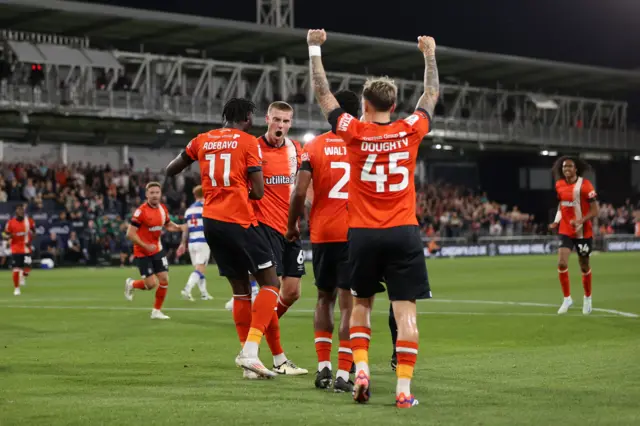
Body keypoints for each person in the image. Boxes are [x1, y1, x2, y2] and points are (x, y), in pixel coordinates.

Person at [307, 29, 439, 409]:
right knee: (406, 311)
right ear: (394, 105)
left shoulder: (353, 131)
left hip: (362, 233)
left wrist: (315, 48)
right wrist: (429, 54)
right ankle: (402, 391)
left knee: (360, 304)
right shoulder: (410, 129)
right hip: (403, 231)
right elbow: (430, 95)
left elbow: (323, 94)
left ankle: (360, 369)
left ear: (363, 104)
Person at [164, 97, 288, 379]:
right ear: (246, 117)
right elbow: (258, 191)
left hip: (212, 223)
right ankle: (251, 351)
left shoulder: (202, 140)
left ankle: (250, 367)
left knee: (240, 291)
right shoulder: (248, 142)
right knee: (271, 283)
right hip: (239, 220)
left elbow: (171, 169)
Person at [286, 90, 360, 392]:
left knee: (323, 299)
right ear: (357, 114)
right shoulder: (363, 144)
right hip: (356, 233)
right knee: (349, 305)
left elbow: (300, 192)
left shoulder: (313, 146)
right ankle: (344, 374)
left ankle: (323, 368)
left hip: (324, 233)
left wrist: (293, 226)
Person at [248, 100, 308, 376]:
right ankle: (277, 358)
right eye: (277, 120)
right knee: (271, 291)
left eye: (286, 121)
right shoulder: (252, 148)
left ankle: (257, 328)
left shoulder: (296, 149)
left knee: (292, 292)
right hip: (264, 230)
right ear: (267, 119)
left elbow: (303, 187)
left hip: (290, 230)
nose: (281, 125)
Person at [123, 182, 186, 319]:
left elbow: (168, 225)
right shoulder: (140, 212)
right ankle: (131, 283)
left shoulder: (163, 209)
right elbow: (130, 233)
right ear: (146, 195)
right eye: (151, 193)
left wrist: (180, 227)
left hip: (157, 249)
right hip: (142, 251)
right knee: (151, 285)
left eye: (157, 192)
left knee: (164, 279)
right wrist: (145, 246)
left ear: (160, 194)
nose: (155, 195)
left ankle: (156, 311)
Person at [549, 156, 598, 315]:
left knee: (584, 265)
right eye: (564, 167)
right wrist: (556, 221)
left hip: (583, 232)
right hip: (566, 230)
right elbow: (561, 204)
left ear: (576, 169)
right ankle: (567, 298)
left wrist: (581, 221)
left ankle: (588, 298)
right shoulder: (559, 185)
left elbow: (595, 210)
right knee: (562, 263)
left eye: (569, 166)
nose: (566, 169)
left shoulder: (585, 186)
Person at [177, 185, 213, 301]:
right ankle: (187, 289)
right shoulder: (207, 208)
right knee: (200, 268)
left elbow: (185, 228)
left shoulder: (189, 210)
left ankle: (204, 294)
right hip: (203, 242)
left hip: (191, 243)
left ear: (195, 195)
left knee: (199, 268)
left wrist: (183, 243)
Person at [3, 204, 35, 295]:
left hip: (26, 248)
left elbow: (34, 232)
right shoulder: (10, 223)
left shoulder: (29, 221)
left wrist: (32, 237)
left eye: (22, 210)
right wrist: (9, 236)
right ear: (16, 212)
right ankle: (16, 288)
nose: (21, 211)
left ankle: (24, 275)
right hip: (16, 249)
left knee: (28, 268)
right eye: (19, 210)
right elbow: (5, 235)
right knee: (16, 268)